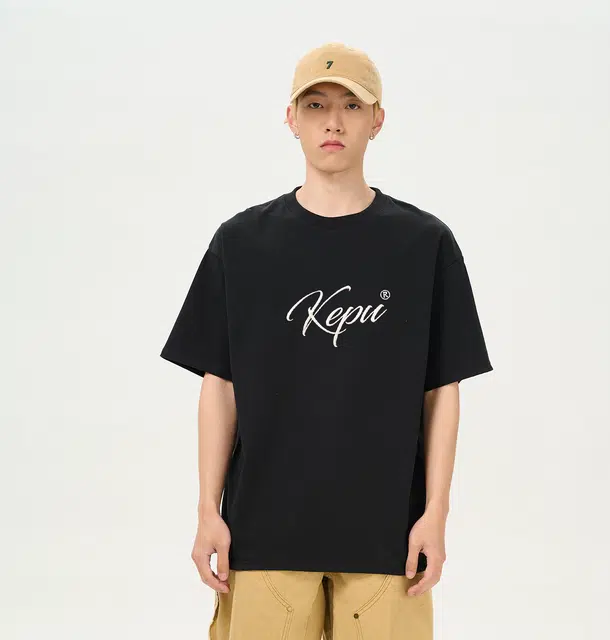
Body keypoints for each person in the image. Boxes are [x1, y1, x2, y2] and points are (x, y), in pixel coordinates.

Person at [160, 41, 493, 640]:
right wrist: (208, 510)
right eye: (315, 105)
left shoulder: (423, 245)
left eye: (351, 106)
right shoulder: (242, 243)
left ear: (377, 120)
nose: (333, 122)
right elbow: (219, 384)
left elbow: (442, 389)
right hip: (264, 534)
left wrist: (435, 514)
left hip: (387, 538)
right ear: (291, 119)